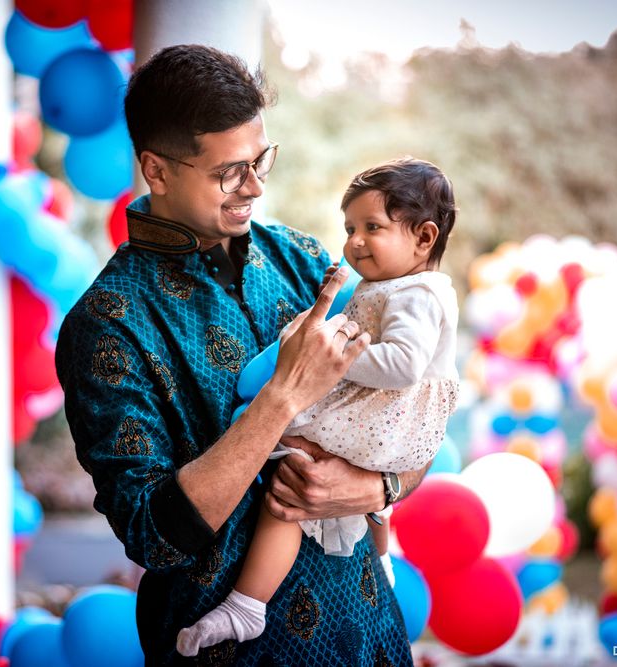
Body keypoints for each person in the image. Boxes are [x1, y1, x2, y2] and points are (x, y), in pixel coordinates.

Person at [55, 44, 427, 665]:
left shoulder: (303, 259)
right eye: (230, 171)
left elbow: (412, 414)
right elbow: (154, 533)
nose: (254, 186)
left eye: (261, 160)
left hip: (369, 635)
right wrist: (282, 397)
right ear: (158, 169)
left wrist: (376, 487)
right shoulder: (107, 325)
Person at [178, 158, 459, 656]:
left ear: (424, 238)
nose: (354, 241)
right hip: (381, 422)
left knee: (290, 471)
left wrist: (328, 359)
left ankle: (248, 602)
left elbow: (404, 366)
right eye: (350, 227)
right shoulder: (381, 283)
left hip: (383, 418)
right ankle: (381, 555)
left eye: (373, 227)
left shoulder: (419, 294)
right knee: (312, 476)